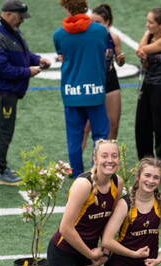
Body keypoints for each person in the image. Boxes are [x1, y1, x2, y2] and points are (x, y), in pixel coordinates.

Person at [0, 0, 51, 186]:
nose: (22, 21)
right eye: (20, 17)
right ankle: (0, 170)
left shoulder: (9, 31)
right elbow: (1, 69)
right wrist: (27, 71)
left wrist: (38, 59)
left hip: (7, 91)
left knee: (2, 128)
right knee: (2, 130)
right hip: (1, 91)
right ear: (9, 14)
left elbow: (22, 54)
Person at [54, 0, 110, 178]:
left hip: (72, 92)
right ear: (85, 7)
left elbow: (63, 56)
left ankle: (77, 173)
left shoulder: (59, 35)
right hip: (95, 91)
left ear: (66, 8)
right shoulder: (100, 31)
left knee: (74, 137)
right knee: (100, 135)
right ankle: (98, 172)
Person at [135, 8, 161, 177]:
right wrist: (149, 32)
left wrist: (147, 33)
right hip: (147, 85)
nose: (147, 25)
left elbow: (142, 50)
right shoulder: (153, 36)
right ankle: (145, 162)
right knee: (142, 126)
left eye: (151, 22)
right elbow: (143, 54)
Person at [82, 4, 125, 145]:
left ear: (107, 22)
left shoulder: (114, 38)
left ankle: (108, 161)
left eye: (98, 22)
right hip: (92, 82)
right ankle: (74, 165)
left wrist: (121, 59)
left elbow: (119, 61)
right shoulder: (87, 38)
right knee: (86, 127)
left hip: (110, 81)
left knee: (113, 125)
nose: (93, 25)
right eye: (91, 22)